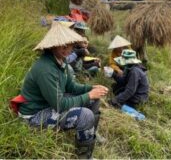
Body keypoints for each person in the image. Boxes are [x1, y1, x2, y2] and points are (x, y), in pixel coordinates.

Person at [17, 22, 108, 159]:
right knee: (85, 114)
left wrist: (91, 88)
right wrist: (88, 95)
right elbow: (59, 105)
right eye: (63, 46)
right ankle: (84, 156)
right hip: (34, 116)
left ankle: (89, 133)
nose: (68, 49)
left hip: (48, 103)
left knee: (94, 100)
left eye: (70, 45)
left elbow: (71, 87)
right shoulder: (46, 69)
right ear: (52, 46)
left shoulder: (61, 61)